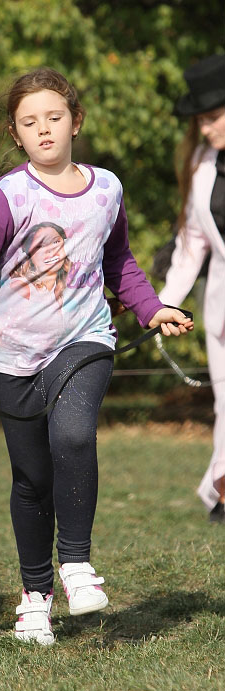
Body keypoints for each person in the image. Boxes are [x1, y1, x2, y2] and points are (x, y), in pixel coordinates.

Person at [0, 67, 193, 644]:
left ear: (76, 121)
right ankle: (34, 598)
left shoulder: (108, 189)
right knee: (31, 478)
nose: (45, 129)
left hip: (85, 339)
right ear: (15, 133)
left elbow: (119, 261)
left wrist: (151, 309)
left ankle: (76, 564)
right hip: (14, 352)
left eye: (54, 117)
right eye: (30, 122)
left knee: (73, 436)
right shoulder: (7, 196)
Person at [157, 53, 225, 523]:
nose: (204, 129)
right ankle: (223, 493)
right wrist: (160, 307)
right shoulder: (203, 165)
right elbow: (191, 247)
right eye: (200, 120)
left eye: (213, 117)